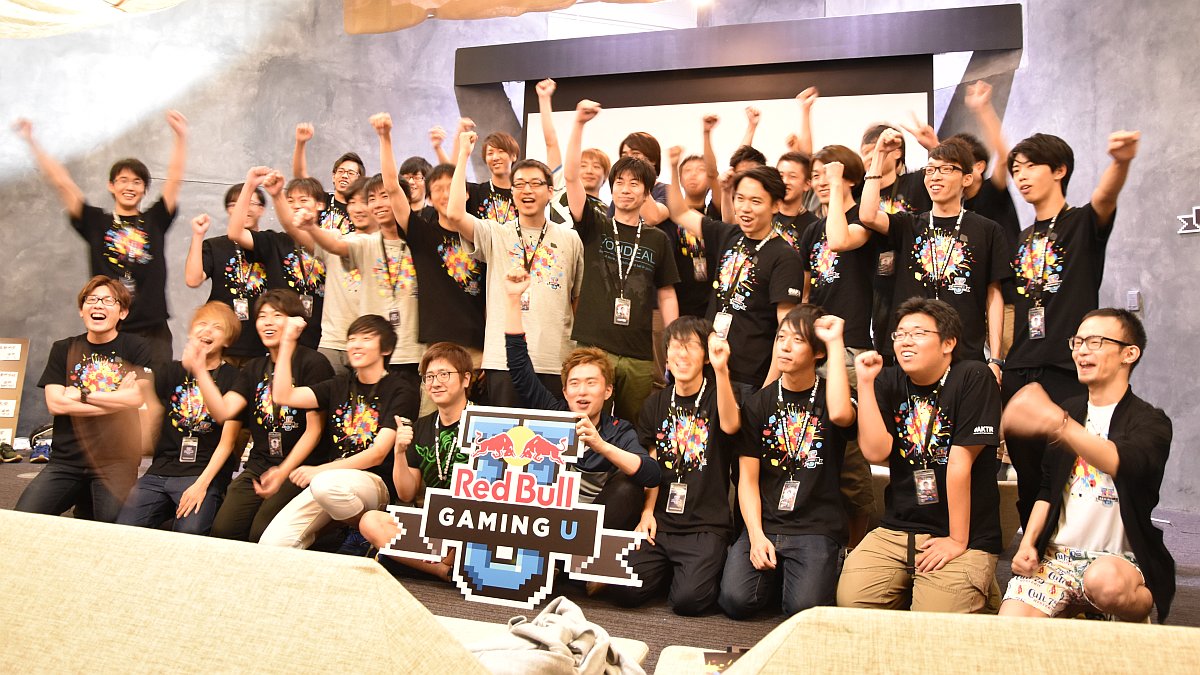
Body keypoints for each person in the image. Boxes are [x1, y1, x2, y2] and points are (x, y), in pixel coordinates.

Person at [1002, 128, 1140, 526]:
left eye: (1030, 166)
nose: (1021, 176)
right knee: (1026, 471)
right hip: (1020, 366)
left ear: (1059, 170)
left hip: (1067, 366)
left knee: (1067, 466)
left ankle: (1071, 544)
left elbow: (1105, 197)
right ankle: (1032, 546)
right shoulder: (1022, 238)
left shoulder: (1081, 224)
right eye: (1015, 169)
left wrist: (1120, 162)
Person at [1000, 309, 1174, 622]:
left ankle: (1140, 605)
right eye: (1077, 342)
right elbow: (1047, 489)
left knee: (1104, 584)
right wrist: (1028, 544)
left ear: (1129, 354)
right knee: (1009, 630)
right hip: (1058, 558)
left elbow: (1118, 461)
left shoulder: (1151, 422)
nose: (1081, 350)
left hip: (1119, 561)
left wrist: (1058, 423)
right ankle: (1074, 609)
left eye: (1095, 342)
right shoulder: (1070, 411)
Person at [837, 298, 1003, 613]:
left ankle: (978, 584)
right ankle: (921, 584)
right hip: (899, 529)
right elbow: (875, 452)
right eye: (900, 335)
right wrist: (867, 384)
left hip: (963, 533)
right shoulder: (888, 380)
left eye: (918, 333)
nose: (906, 341)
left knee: (933, 620)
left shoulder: (973, 376)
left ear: (948, 343)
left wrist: (957, 540)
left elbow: (959, 464)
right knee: (852, 602)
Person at [14, 113, 186, 364]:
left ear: (144, 189)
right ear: (111, 186)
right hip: (109, 327)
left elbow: (175, 179)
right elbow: (62, 183)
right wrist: (32, 141)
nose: (130, 187)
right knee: (108, 386)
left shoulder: (155, 219)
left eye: (137, 182)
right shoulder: (96, 222)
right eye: (123, 180)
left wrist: (180, 137)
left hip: (153, 330)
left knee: (156, 386)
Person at [720, 307, 856, 618]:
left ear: (818, 352)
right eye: (781, 338)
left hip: (815, 526)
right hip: (767, 523)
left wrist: (836, 341)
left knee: (803, 609)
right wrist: (755, 535)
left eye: (797, 340)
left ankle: (805, 573)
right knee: (735, 600)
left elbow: (841, 415)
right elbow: (747, 480)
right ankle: (781, 576)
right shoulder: (759, 403)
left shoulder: (833, 396)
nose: (785, 346)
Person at [503, 267, 660, 530]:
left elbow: (651, 474)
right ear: (565, 392)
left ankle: (578, 553)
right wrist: (512, 299)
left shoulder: (618, 431)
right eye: (574, 384)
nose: (582, 391)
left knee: (629, 486)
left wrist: (600, 445)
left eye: (591, 383)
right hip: (547, 520)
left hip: (593, 524)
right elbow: (519, 368)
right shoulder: (554, 413)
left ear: (607, 391)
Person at [606, 317, 740, 615]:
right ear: (666, 354)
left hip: (705, 526)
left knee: (688, 601)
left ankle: (695, 570)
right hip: (663, 522)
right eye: (675, 346)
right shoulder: (655, 404)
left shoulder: (720, 395)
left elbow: (731, 426)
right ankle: (671, 571)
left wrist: (722, 370)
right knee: (622, 588)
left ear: (706, 356)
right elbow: (652, 465)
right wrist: (647, 513)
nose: (682, 354)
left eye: (691, 346)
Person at [445, 130, 584, 407]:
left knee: (550, 434)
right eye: (519, 184)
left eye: (535, 183)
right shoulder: (496, 233)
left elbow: (576, 300)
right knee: (506, 433)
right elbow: (455, 214)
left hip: (555, 360)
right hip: (503, 359)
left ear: (550, 191)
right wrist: (463, 154)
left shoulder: (570, 238)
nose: (526, 190)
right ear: (512, 192)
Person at [258, 314, 417, 549]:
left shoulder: (401, 390)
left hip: (374, 483)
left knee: (325, 484)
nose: (356, 345)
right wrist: (287, 342)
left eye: (366, 338)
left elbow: (378, 454)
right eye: (352, 339)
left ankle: (362, 532)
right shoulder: (339, 384)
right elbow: (283, 395)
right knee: (272, 543)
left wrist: (319, 470)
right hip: (333, 483)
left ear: (386, 349)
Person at [565, 100, 680, 421]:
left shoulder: (657, 239)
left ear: (646, 192)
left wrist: (672, 342)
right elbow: (571, 177)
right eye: (619, 182)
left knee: (635, 428)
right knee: (586, 423)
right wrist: (579, 123)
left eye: (634, 183)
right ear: (611, 187)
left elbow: (667, 294)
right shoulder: (595, 224)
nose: (626, 190)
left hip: (638, 352)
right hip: (594, 346)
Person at [859, 131, 1011, 372]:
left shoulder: (988, 230)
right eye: (930, 170)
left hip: (966, 355)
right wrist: (878, 155)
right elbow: (867, 215)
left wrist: (995, 359)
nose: (935, 176)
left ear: (967, 179)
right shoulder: (909, 224)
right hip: (913, 354)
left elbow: (994, 296)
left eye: (946, 169)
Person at [300, 114, 423, 395]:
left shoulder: (419, 241)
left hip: (413, 354)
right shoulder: (366, 243)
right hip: (374, 356)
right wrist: (311, 227)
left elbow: (393, 186)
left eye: (384, 197)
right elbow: (336, 247)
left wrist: (385, 136)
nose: (377, 204)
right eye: (371, 199)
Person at [198, 290, 334, 543]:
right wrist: (198, 369)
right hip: (260, 465)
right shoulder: (253, 368)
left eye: (277, 315)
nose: (268, 322)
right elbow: (223, 411)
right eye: (262, 316)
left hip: (300, 468)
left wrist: (282, 472)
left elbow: (314, 431)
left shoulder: (313, 363)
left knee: (261, 532)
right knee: (224, 530)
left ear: (295, 322)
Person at [14, 276, 153, 522]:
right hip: (66, 461)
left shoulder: (136, 347)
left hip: (116, 463)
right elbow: (56, 404)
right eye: (92, 300)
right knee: (22, 520)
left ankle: (86, 506)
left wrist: (82, 394)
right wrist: (116, 401)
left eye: (108, 300)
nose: (98, 305)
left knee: (114, 530)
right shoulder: (63, 348)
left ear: (122, 312)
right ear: (81, 310)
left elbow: (136, 397)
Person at [666, 147, 805, 388]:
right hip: (710, 364)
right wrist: (672, 166)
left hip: (749, 376)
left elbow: (786, 329)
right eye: (740, 199)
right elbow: (679, 212)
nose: (745, 208)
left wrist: (768, 388)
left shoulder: (785, 257)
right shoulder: (728, 235)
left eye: (755, 201)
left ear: (775, 205)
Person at [117, 303, 243, 535]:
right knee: (124, 529)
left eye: (217, 327)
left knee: (190, 533)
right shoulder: (171, 371)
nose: (207, 330)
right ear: (191, 332)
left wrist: (201, 485)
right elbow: (147, 403)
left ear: (228, 340)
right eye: (202, 324)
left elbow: (228, 442)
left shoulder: (235, 378)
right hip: (160, 471)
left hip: (202, 473)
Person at [360, 342, 474, 580]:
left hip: (470, 525)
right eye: (429, 377)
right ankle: (443, 570)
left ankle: (404, 561)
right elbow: (406, 493)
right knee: (371, 521)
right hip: (432, 523)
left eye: (444, 374)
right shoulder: (422, 426)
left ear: (466, 379)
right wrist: (399, 452)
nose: (435, 382)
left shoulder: (487, 423)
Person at [228, 170, 327, 350]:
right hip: (279, 337)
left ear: (320, 204)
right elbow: (235, 233)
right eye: (290, 201)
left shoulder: (331, 241)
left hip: (324, 338)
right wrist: (249, 185)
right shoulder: (275, 241)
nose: (296, 206)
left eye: (303, 200)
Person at [184, 184, 269, 366]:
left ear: (262, 209)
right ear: (229, 210)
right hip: (220, 342)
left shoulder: (272, 245)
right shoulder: (215, 246)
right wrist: (198, 236)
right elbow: (192, 279)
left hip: (260, 342)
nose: (244, 208)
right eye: (235, 204)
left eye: (251, 203)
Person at [291, 122, 362, 235]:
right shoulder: (322, 200)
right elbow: (300, 176)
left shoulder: (362, 210)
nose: (344, 176)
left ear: (360, 180)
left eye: (350, 173)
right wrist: (301, 142)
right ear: (333, 176)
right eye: (341, 171)